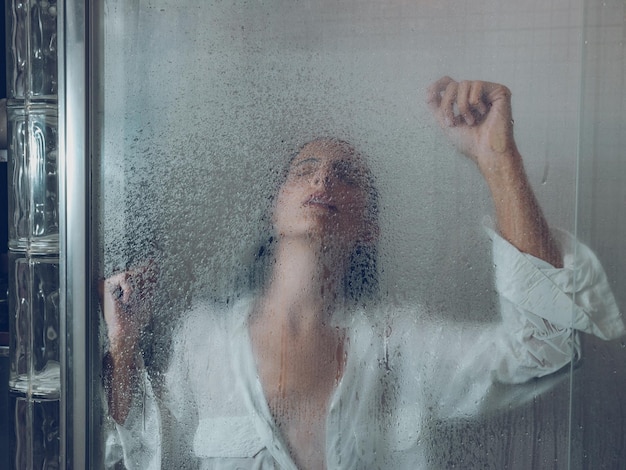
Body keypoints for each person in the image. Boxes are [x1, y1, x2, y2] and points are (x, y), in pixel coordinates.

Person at [102, 77, 624, 469]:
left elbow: (546, 349)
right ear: (274, 211)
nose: (325, 176)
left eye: (345, 175)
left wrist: (498, 159)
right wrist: (123, 347)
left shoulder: (402, 348)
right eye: (305, 169)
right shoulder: (202, 340)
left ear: (369, 227)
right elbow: (137, 452)